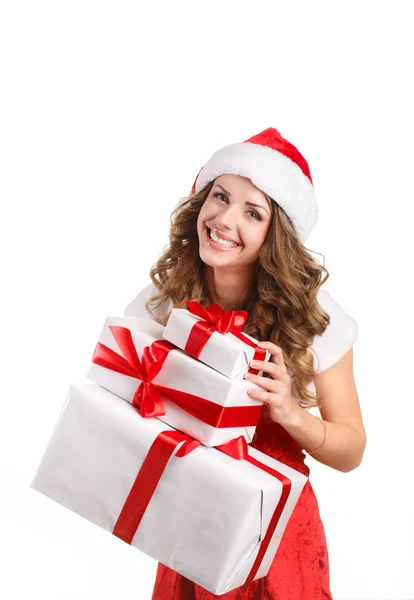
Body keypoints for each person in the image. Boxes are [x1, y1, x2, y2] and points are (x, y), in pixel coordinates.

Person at [124, 127, 366, 600]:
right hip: (191, 524)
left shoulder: (317, 317)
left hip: (276, 532)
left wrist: (291, 414)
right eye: (220, 196)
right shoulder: (162, 302)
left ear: (275, 235)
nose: (224, 219)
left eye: (252, 212)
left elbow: (352, 450)